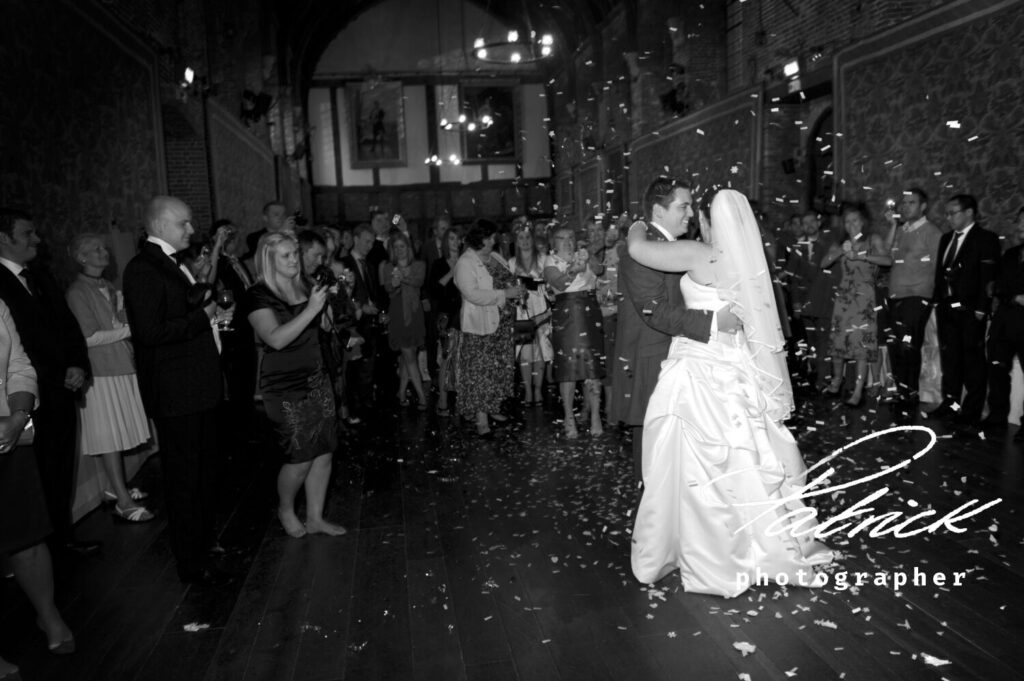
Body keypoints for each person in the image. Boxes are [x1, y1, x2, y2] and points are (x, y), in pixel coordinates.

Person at [627, 188, 832, 597]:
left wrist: (635, 222)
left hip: (700, 364)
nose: (690, 216)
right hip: (735, 365)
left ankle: (711, 550)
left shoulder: (700, 254)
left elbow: (637, 249)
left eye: (693, 210)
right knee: (748, 450)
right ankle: (764, 543)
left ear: (708, 221)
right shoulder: (747, 263)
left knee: (697, 457)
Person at [123, 196, 232, 585]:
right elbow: (150, 333)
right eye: (184, 223)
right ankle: (191, 560)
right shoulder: (143, 269)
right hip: (176, 391)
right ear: (161, 225)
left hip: (195, 386)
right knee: (185, 478)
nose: (190, 229)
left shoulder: (172, 264)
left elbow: (179, 311)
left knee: (203, 472)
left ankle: (203, 543)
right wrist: (202, 319)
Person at [610, 178, 729, 484]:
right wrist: (715, 322)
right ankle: (652, 524)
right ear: (658, 211)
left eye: (690, 206)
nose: (690, 213)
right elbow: (654, 312)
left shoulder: (658, 243)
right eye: (683, 206)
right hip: (652, 357)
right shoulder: (641, 250)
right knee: (652, 458)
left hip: (679, 353)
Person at [0, 208, 96, 558]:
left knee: (59, 469)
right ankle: (32, 553)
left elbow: (69, 328)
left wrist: (78, 365)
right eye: (27, 233)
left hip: (62, 391)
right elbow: (16, 347)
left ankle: (62, 541)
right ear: (3, 238)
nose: (37, 239)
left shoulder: (41, 275)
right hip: (23, 398)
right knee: (33, 480)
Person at [246, 232, 346, 538]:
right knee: (299, 457)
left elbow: (325, 328)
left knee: (324, 451)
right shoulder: (257, 295)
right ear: (269, 260)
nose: (294, 260)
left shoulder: (307, 285)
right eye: (286, 256)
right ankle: (286, 509)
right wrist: (312, 309)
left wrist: (332, 301)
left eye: (295, 253)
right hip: (284, 384)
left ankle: (315, 517)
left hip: (317, 376)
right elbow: (274, 339)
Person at [0, 300, 76, 671]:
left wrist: (17, 416)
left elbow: (18, 364)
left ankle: (48, 615)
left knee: (27, 533)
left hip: (7, 435)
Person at [66, 233, 154, 523]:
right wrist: (132, 330)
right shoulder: (78, 291)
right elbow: (88, 338)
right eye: (96, 250)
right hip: (100, 372)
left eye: (104, 248)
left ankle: (114, 488)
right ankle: (123, 500)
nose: (104, 253)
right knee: (109, 436)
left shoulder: (108, 287)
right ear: (81, 258)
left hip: (120, 365)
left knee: (117, 431)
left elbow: (117, 322)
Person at [927, 194, 1001, 431]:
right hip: (947, 309)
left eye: (953, 213)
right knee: (951, 360)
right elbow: (940, 273)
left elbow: (988, 277)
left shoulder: (985, 239)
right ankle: (951, 404)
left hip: (971, 311)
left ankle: (971, 412)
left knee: (972, 362)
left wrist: (981, 308)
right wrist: (938, 302)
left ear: (969, 213)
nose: (948, 218)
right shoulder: (947, 238)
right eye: (946, 213)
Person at [454, 219, 523, 437]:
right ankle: (481, 418)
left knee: (497, 370)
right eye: (492, 236)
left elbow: (509, 278)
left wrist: (518, 289)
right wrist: (505, 294)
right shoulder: (465, 262)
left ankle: (492, 407)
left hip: (501, 325)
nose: (495, 240)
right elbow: (472, 294)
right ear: (482, 238)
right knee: (480, 373)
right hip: (479, 326)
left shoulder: (494, 257)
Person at [820, 203, 889, 407]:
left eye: (855, 220)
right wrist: (840, 252)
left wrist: (862, 255)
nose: (851, 225)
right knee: (839, 344)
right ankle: (836, 383)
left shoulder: (872, 239)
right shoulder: (842, 242)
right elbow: (824, 263)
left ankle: (858, 391)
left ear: (863, 221)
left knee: (861, 347)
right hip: (844, 298)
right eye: (847, 221)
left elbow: (888, 260)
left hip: (865, 299)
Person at [543, 225, 606, 438]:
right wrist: (573, 269)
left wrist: (589, 257)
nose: (567, 241)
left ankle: (596, 416)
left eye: (571, 236)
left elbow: (599, 270)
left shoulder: (583, 254)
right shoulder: (551, 261)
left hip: (589, 312)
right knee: (567, 368)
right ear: (554, 242)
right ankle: (569, 418)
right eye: (562, 238)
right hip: (566, 315)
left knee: (592, 366)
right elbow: (558, 283)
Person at [882, 189, 942, 412]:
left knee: (908, 345)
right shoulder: (901, 230)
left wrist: (934, 296)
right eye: (903, 203)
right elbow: (886, 255)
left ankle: (911, 394)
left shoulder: (931, 232)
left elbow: (938, 267)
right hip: (895, 296)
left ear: (923, 206)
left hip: (917, 296)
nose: (905, 206)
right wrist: (892, 226)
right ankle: (902, 391)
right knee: (894, 345)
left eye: (911, 202)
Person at [981, 208, 1024, 439]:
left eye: (1023, 222)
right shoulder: (1011, 255)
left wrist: (1009, 293)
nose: (1020, 227)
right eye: (1019, 222)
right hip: (1004, 321)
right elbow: (998, 286)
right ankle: (997, 415)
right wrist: (1013, 296)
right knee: (997, 368)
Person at [380, 231, 427, 409]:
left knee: (408, 356)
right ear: (392, 249)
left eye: (402, 246)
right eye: (395, 247)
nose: (399, 250)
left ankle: (401, 393)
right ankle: (422, 396)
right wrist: (394, 282)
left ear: (409, 247)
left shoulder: (419, 265)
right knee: (409, 356)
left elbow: (418, 282)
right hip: (398, 314)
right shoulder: (387, 267)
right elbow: (388, 289)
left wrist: (403, 276)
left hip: (415, 313)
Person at [508, 224, 552, 407]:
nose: (525, 242)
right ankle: (527, 390)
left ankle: (537, 389)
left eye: (527, 238)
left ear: (532, 239)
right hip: (522, 310)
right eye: (521, 238)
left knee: (541, 351)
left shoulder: (543, 259)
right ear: (516, 242)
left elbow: (550, 285)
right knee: (525, 353)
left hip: (541, 309)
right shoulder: (511, 263)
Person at [429, 224, 464, 416]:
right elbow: (434, 289)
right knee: (446, 359)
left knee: (462, 359)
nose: (455, 242)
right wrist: (453, 270)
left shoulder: (467, 261)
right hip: (446, 317)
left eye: (458, 238)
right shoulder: (439, 263)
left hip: (465, 315)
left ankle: (461, 401)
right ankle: (442, 402)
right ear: (445, 242)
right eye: (451, 238)